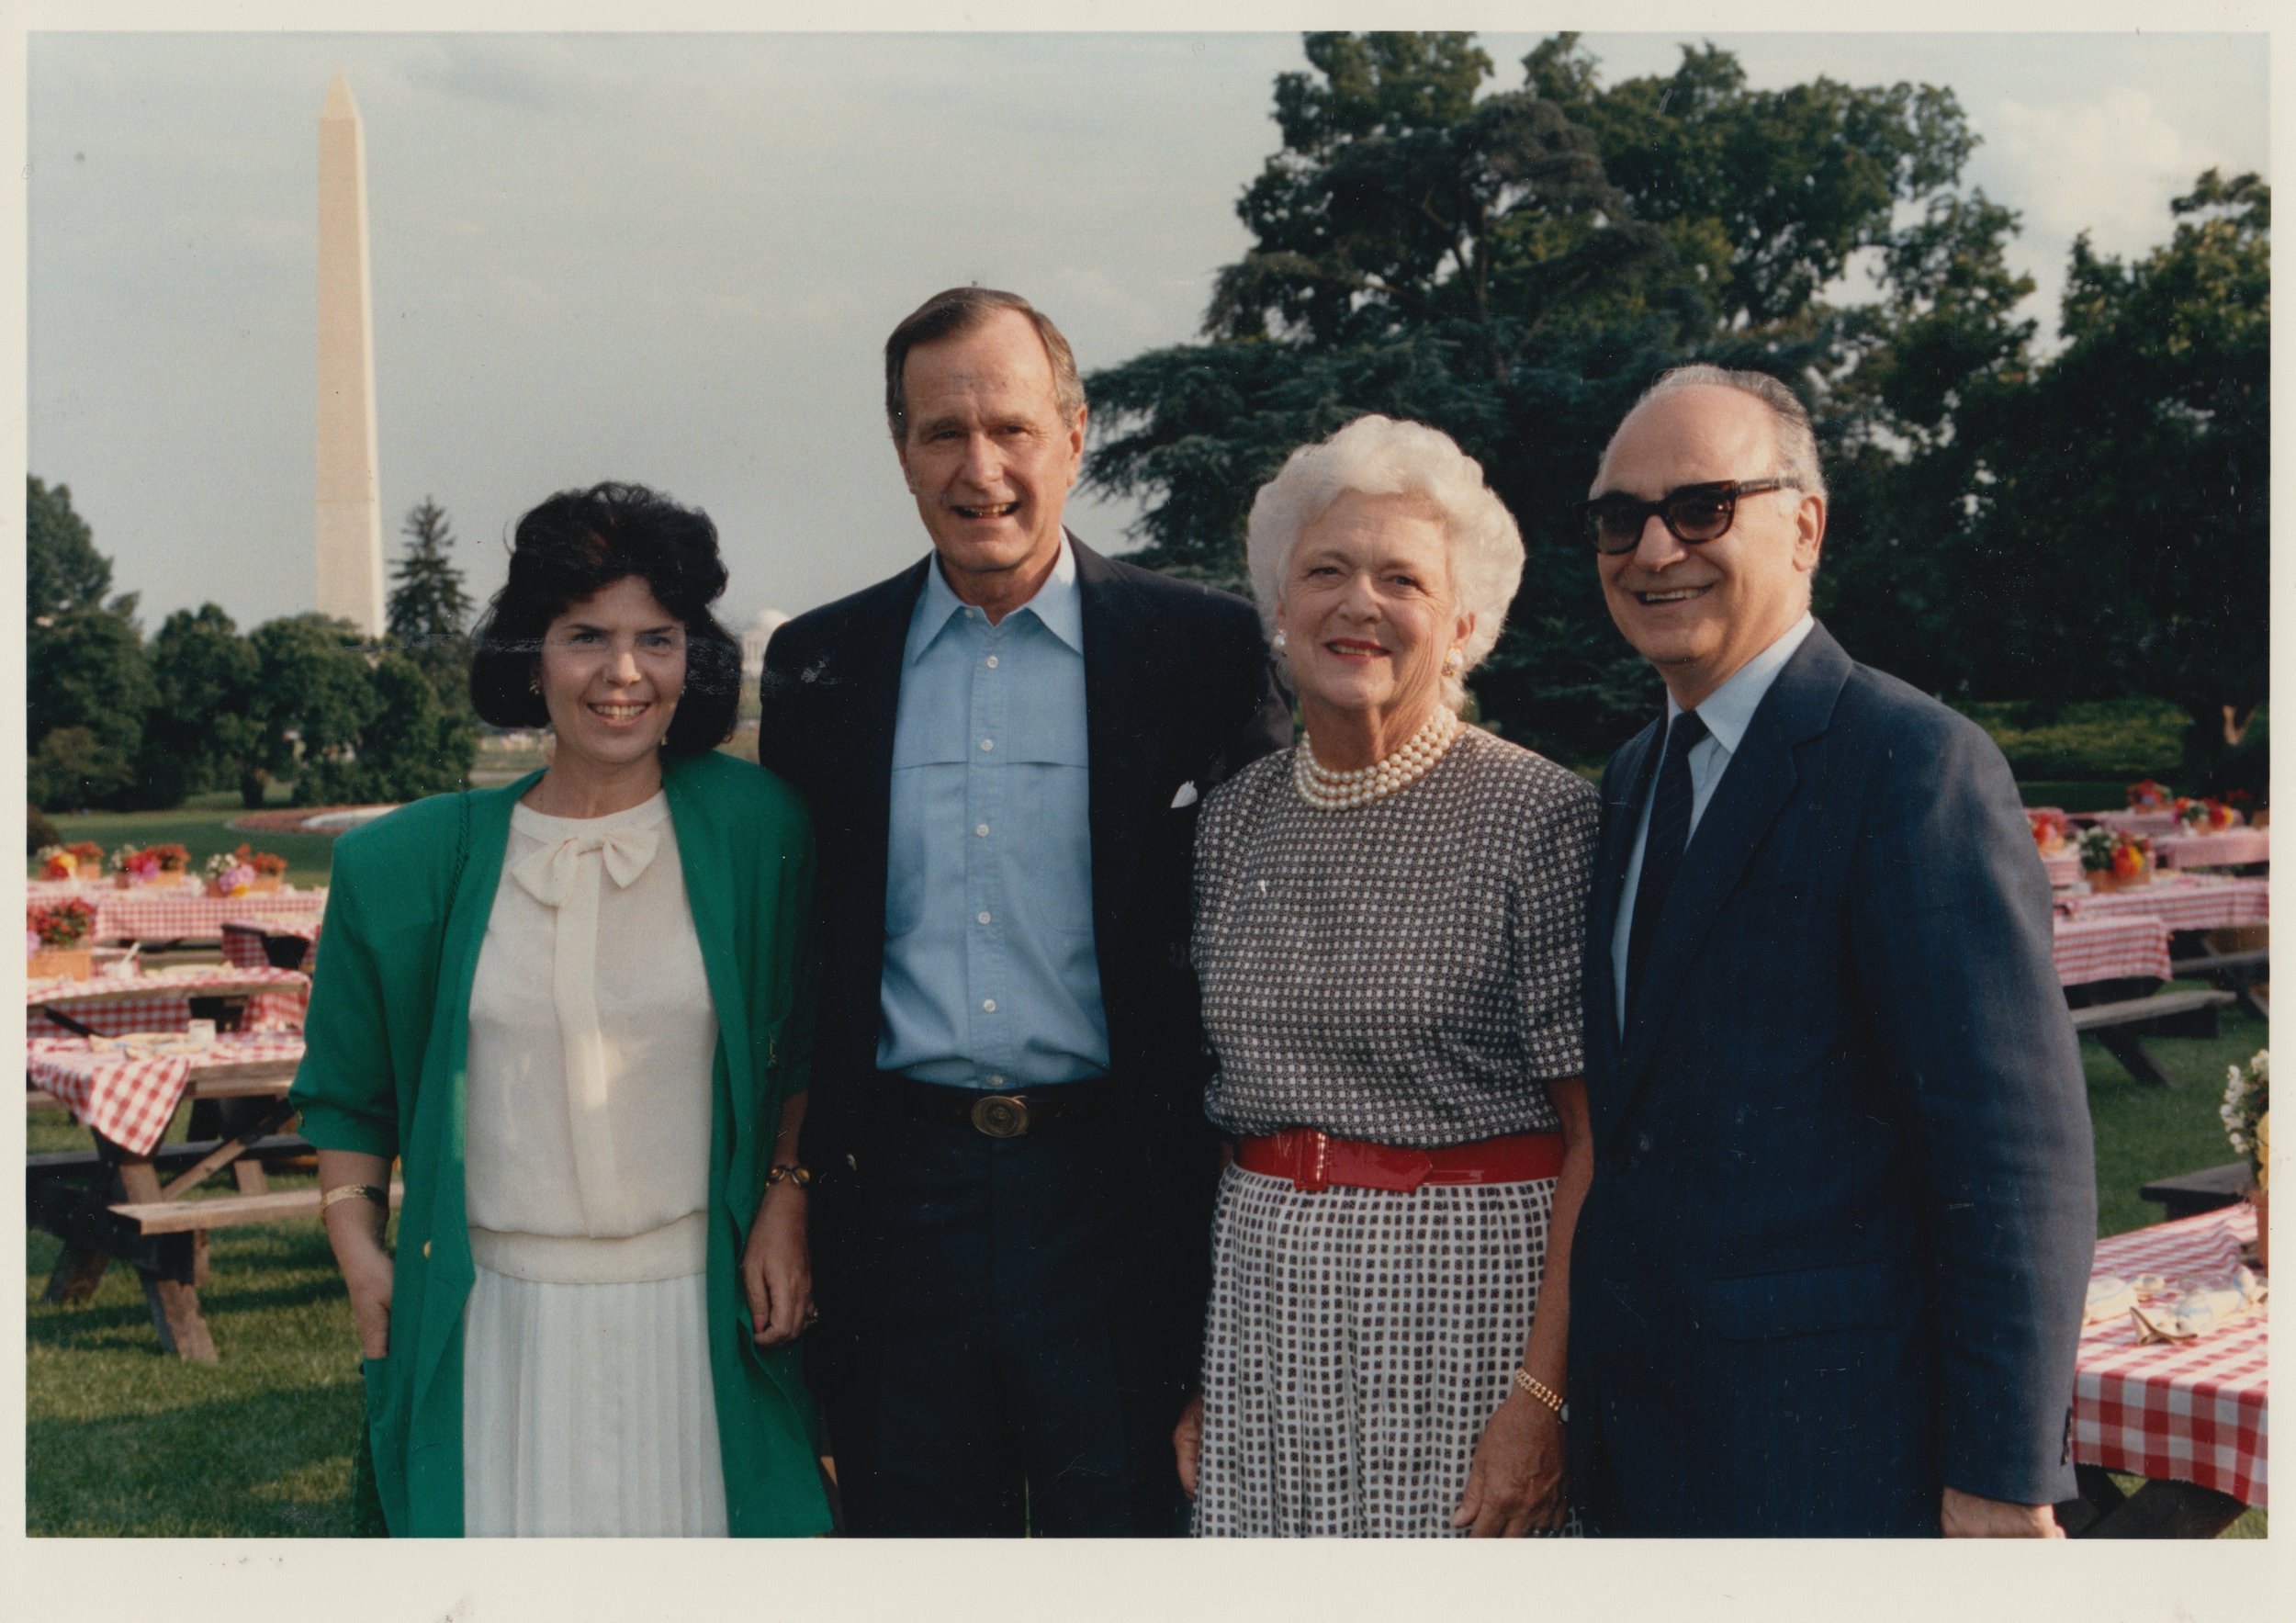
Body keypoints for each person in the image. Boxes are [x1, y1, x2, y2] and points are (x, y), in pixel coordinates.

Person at [757, 287, 1289, 1537]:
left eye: (1009, 426)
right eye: (941, 432)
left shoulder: (1201, 649)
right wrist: (786, 1179)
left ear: (1074, 433)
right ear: (901, 451)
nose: (978, 467)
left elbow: (1262, 925)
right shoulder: (822, 667)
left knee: (1129, 1551)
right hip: (897, 1197)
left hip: (1122, 1191)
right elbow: (805, 957)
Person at [1566, 366, 2097, 1537]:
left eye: (1700, 506)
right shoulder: (1629, 780)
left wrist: (2004, 1477)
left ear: (1803, 525)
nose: (1654, 550)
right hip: (1644, 1458)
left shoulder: (1910, 764)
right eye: (1619, 518)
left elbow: (2013, 1160)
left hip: (1839, 1462)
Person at [292, 482, 831, 1538]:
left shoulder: (758, 828)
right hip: (496, 1322)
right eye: (586, 635)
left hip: (696, 1315)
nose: (623, 674)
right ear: (528, 657)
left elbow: (806, 1043)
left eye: (657, 639)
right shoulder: (402, 864)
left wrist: (786, 1195)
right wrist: (357, 1245)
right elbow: (349, 1100)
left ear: (695, 660)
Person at [1174, 414, 1599, 1538]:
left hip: (1469, 1302)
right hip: (1266, 1299)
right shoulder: (1231, 823)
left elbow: (1595, 1133)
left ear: (1464, 624)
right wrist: (1204, 1371)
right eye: (1325, 571)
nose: (1357, 604)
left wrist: (1542, 1399)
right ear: (1278, 604)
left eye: (1400, 578)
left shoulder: (1540, 818)